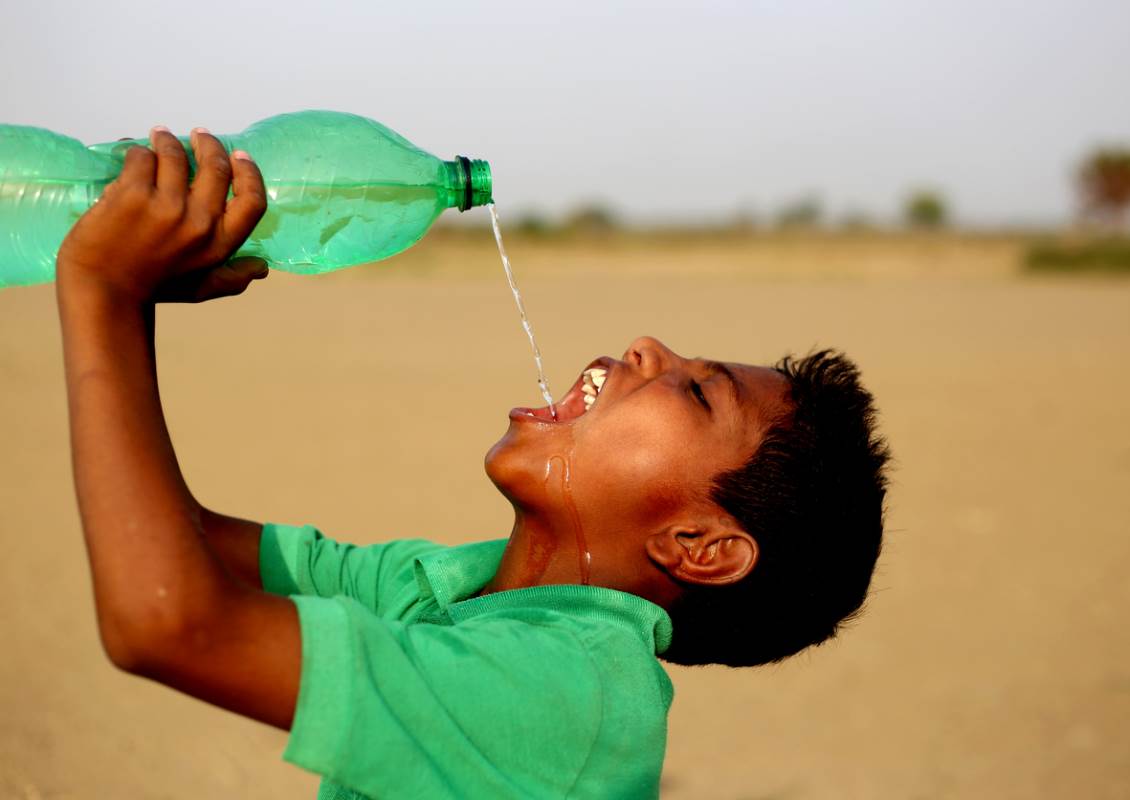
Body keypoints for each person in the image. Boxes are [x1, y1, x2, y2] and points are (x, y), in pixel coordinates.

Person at [54, 126, 891, 800]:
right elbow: (171, 539)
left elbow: (166, 622)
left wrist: (104, 292)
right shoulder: (459, 586)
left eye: (701, 394)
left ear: (700, 544)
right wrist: (138, 300)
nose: (647, 345)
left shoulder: (576, 693)